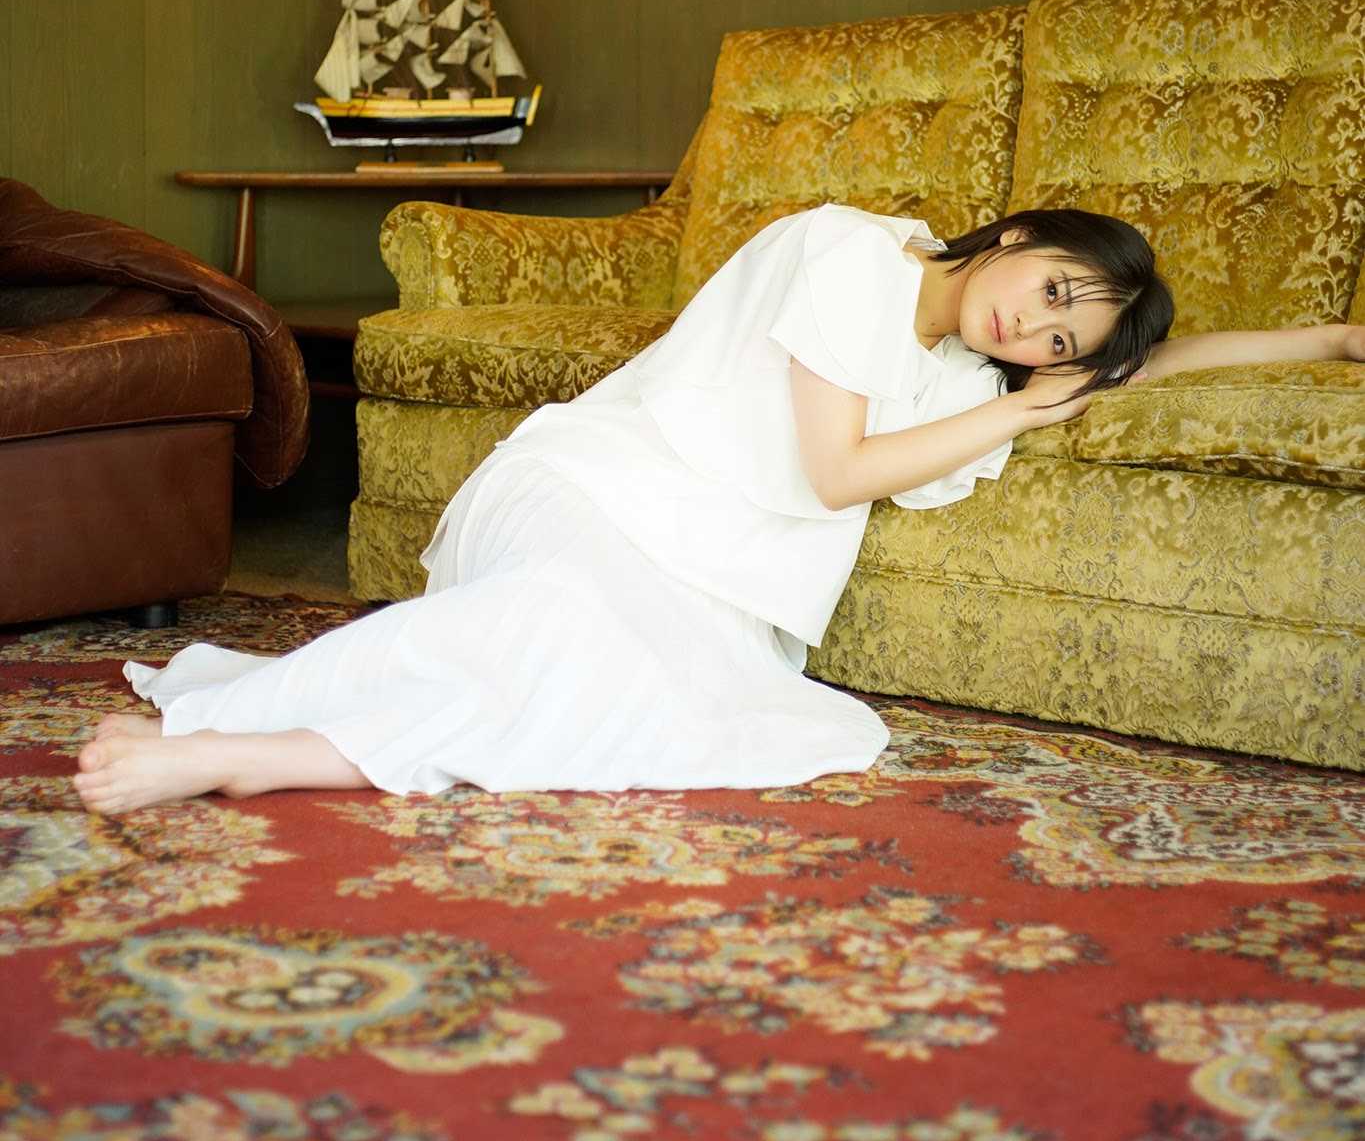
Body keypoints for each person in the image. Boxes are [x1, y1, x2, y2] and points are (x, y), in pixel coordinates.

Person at [70, 201, 1357, 816]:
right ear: (1022, 235)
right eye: (1055, 288)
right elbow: (836, 471)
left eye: (1061, 338)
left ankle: (278, 754)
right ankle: (241, 736)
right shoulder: (851, 253)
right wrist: (1021, 411)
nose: (1037, 325)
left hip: (710, 590)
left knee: (674, 709)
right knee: (557, 628)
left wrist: (1327, 338)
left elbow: (1141, 362)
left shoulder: (966, 377)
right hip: (587, 495)